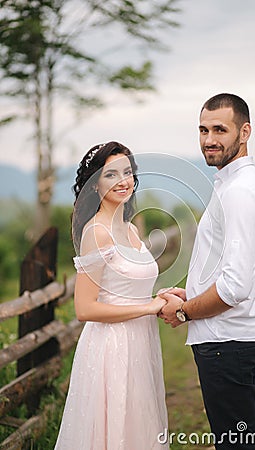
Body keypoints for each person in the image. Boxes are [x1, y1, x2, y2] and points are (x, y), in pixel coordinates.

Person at [158, 93, 255, 449]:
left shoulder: (240, 191)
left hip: (228, 341)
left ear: (245, 132)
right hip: (226, 341)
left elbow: (234, 287)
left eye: (220, 129)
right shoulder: (229, 184)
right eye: (203, 129)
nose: (209, 139)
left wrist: (182, 310)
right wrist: (191, 293)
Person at [54, 141, 168, 450]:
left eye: (128, 172)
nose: (123, 181)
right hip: (112, 348)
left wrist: (162, 296)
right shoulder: (97, 232)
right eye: (111, 174)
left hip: (140, 342)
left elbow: (128, 290)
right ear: (94, 184)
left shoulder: (130, 229)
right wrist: (148, 307)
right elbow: (85, 309)